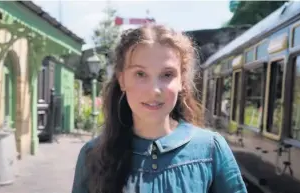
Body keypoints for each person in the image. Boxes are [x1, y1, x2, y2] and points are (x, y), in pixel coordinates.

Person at [71, 24, 247, 193]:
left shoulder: (210, 150)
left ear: (182, 82)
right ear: (122, 80)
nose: (154, 90)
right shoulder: (92, 155)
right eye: (140, 74)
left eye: (167, 75)